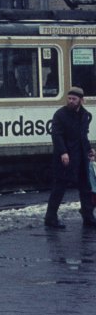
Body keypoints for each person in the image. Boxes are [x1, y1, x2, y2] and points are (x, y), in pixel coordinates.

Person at [44, 86, 96, 229]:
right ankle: (50, 217)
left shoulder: (85, 115)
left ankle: (88, 216)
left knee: (85, 187)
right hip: (65, 157)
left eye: (74, 99)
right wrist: (63, 152)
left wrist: (89, 150)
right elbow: (57, 135)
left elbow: (83, 136)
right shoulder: (60, 114)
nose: (71, 101)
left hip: (81, 156)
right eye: (69, 98)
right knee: (59, 187)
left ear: (81, 100)